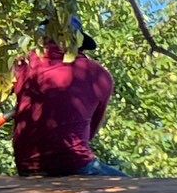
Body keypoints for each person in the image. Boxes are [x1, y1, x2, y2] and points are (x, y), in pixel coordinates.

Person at [9, 18, 118, 176]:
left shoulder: (23, 65)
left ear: (43, 40)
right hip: (76, 165)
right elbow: (90, 132)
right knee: (139, 189)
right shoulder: (98, 74)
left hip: (28, 168)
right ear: (78, 43)